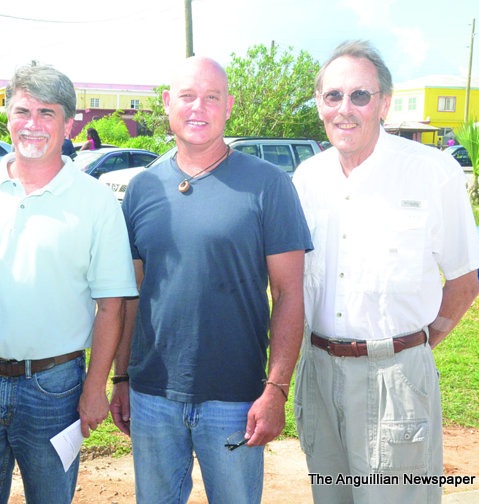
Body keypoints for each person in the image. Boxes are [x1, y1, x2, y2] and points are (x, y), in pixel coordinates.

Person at [110, 56, 312, 504]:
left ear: (228, 105)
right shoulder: (143, 188)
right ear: (167, 104)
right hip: (152, 396)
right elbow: (132, 297)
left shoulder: (269, 184)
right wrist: (121, 377)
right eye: (187, 96)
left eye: (212, 97)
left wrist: (275, 389)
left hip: (236, 400)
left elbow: (289, 292)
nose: (198, 107)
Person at [291, 40, 479, 504]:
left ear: (385, 103)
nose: (345, 108)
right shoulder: (306, 179)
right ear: (320, 104)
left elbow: (464, 280)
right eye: (333, 96)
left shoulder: (432, 172)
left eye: (360, 95)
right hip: (317, 375)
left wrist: (413, 348)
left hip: (396, 379)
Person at [0, 63, 138, 504]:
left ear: (69, 124)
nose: (32, 124)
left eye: (47, 113)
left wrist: (95, 387)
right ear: (7, 117)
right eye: (22, 111)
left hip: (57, 390)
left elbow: (113, 305)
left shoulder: (96, 202)